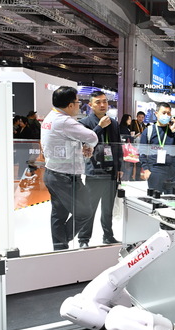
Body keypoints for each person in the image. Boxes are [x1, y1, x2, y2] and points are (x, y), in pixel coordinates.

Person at [40, 86, 98, 251]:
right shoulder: (64, 121)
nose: (79, 106)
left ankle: (60, 249)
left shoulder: (50, 118)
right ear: (70, 105)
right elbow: (92, 136)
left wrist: (82, 147)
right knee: (85, 211)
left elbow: (63, 141)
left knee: (59, 215)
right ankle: (63, 240)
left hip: (53, 173)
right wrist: (89, 145)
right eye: (78, 102)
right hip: (65, 177)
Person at [78, 90, 123, 247]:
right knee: (90, 208)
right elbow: (85, 142)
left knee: (108, 209)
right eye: (98, 102)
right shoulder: (84, 123)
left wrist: (119, 167)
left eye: (105, 101)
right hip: (94, 173)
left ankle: (108, 235)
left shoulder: (114, 123)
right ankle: (83, 239)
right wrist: (99, 126)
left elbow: (117, 147)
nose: (103, 105)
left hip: (111, 173)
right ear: (90, 105)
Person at [139, 102, 175, 194]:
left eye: (168, 113)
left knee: (173, 201)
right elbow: (142, 152)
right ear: (156, 114)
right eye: (163, 113)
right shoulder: (149, 130)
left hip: (171, 171)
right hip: (155, 171)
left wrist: (174, 129)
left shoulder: (173, 131)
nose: (166, 115)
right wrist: (146, 169)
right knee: (156, 201)